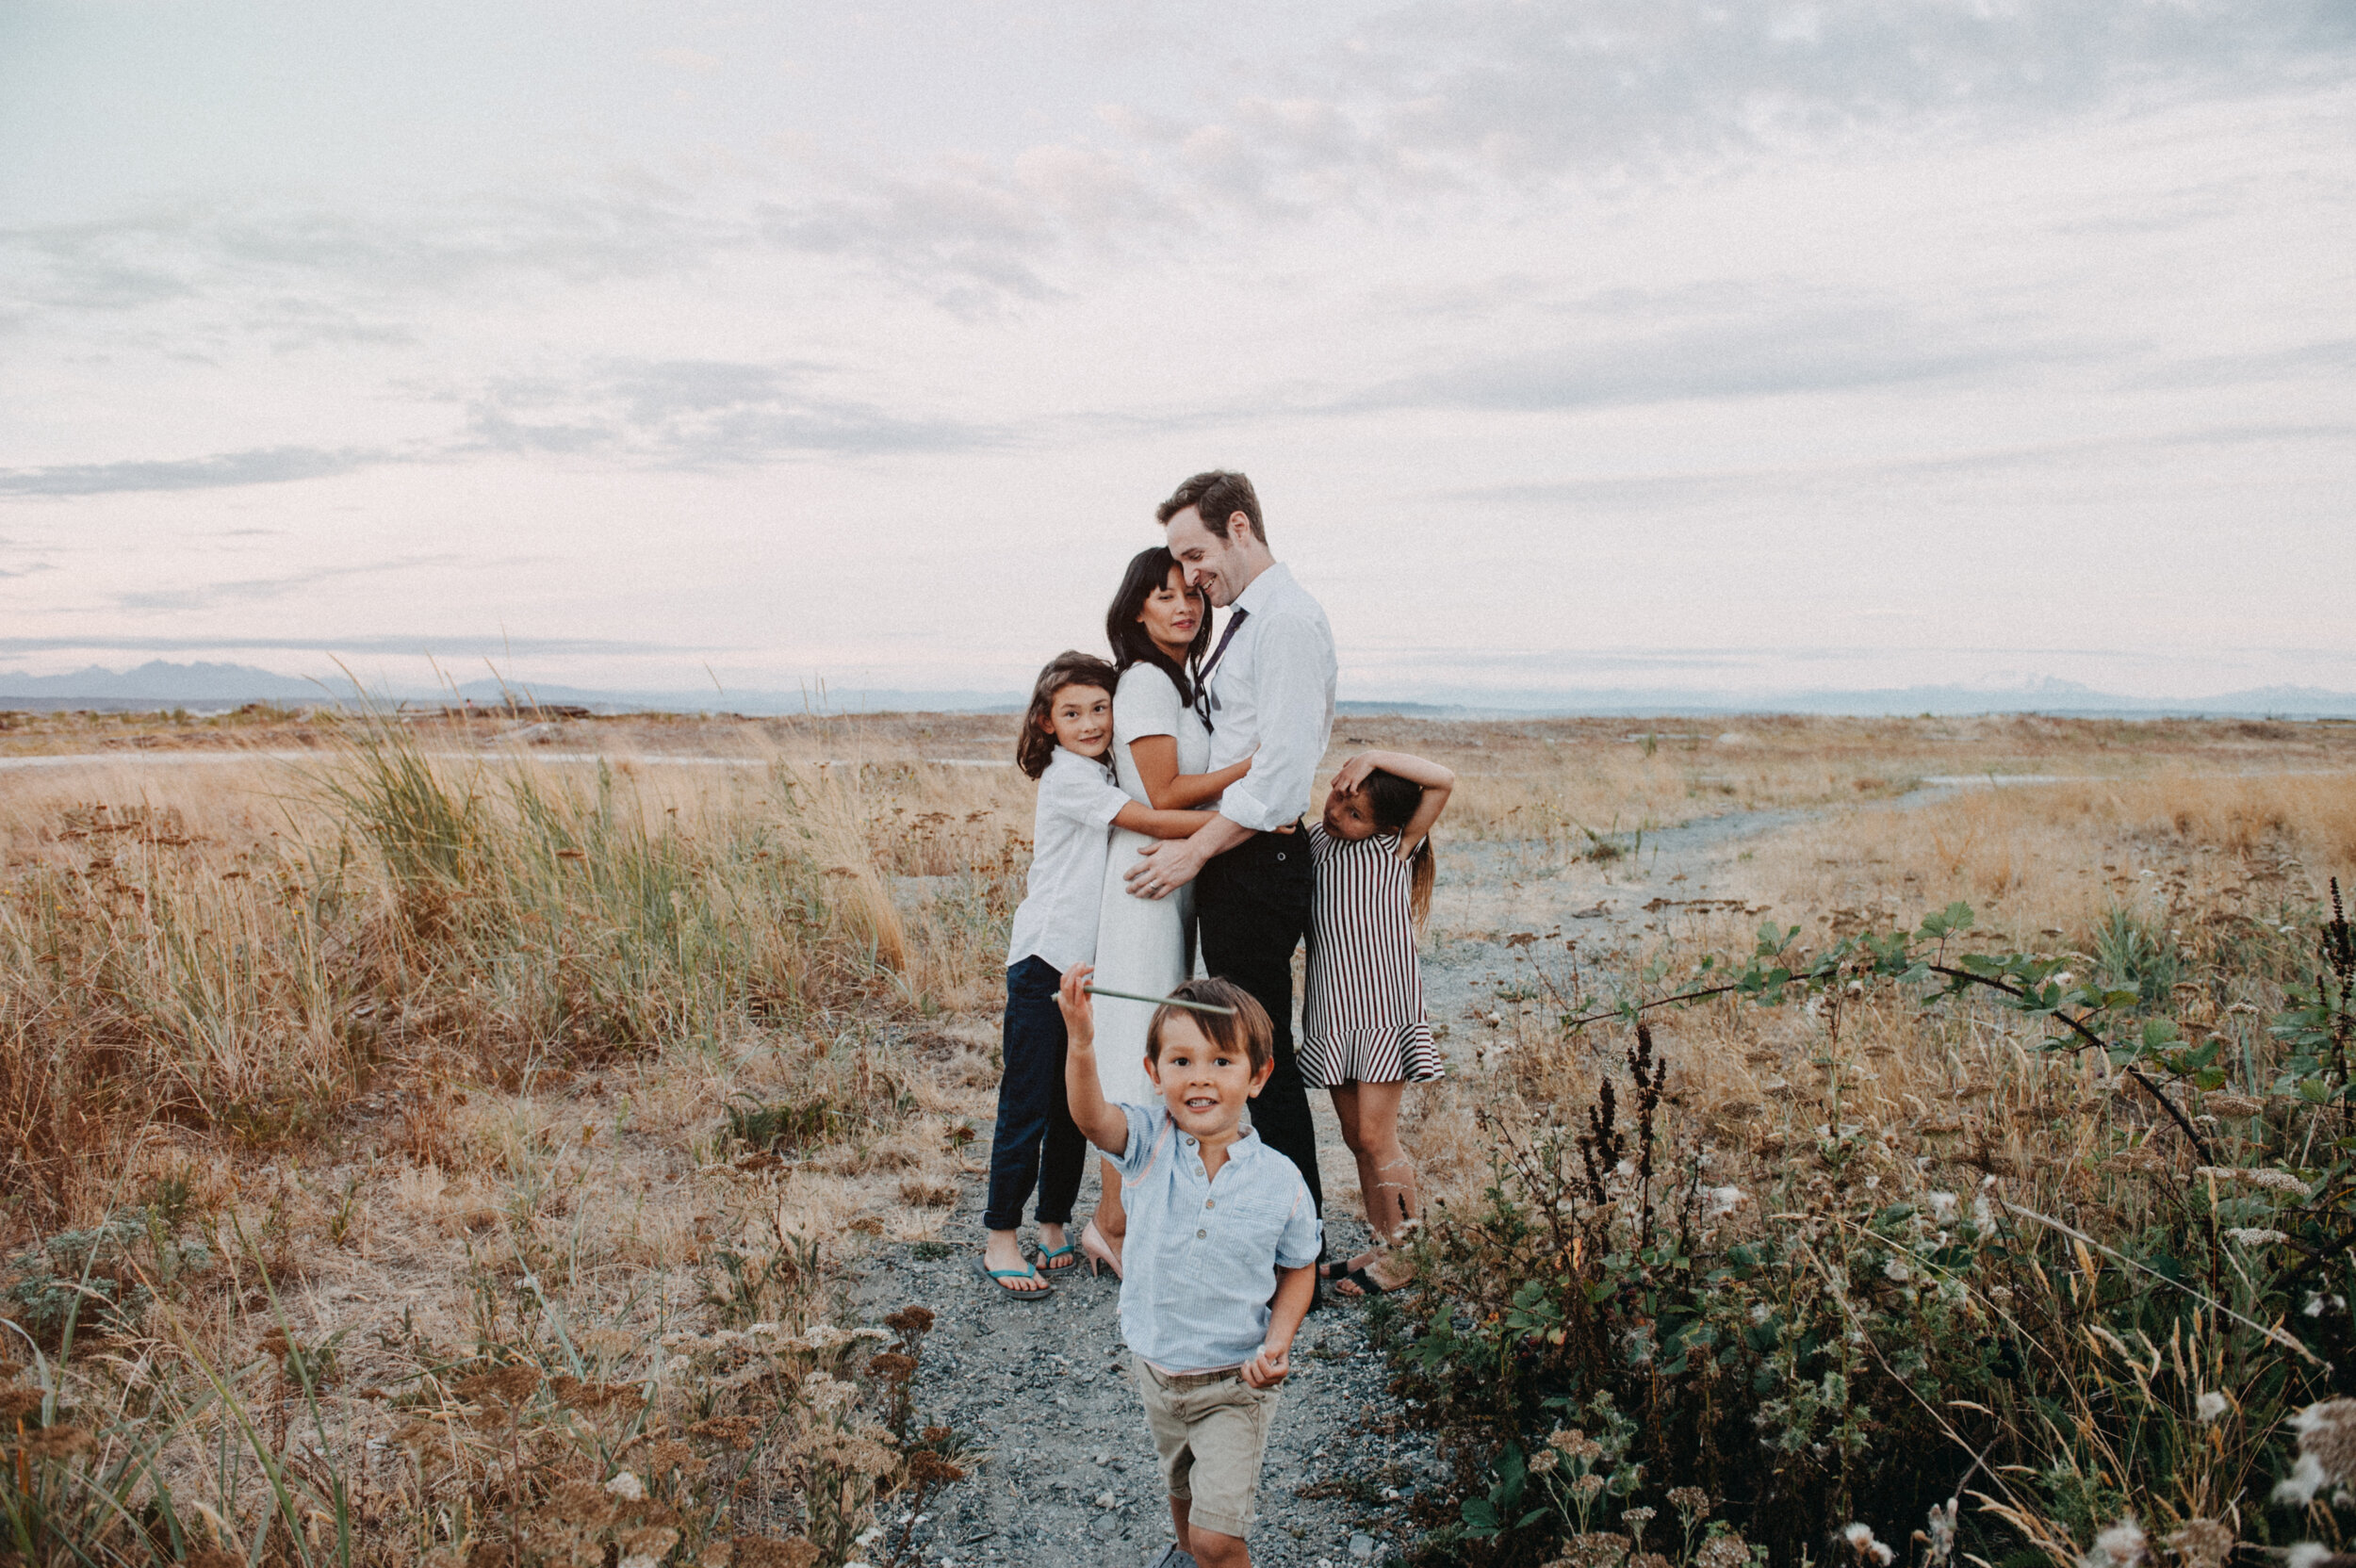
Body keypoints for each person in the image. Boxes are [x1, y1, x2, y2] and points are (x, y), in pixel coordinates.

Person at [1123, 471, 1338, 1266]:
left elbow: (1279, 776)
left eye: (1197, 555)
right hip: (1238, 860)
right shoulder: (1246, 623)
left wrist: (1196, 847)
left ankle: (1299, 1256)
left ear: (1239, 527)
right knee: (1245, 1049)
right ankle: (1275, 1237)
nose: (1192, 577)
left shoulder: (1283, 622)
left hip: (1257, 860)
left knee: (1257, 1061)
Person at [1057, 966, 1319, 1568]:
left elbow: (1300, 1268)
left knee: (1218, 1539)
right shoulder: (1148, 1144)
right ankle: (1184, 1554)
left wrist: (1278, 1343)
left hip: (1236, 1384)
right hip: (1158, 1370)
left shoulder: (1280, 1180)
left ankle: (1204, 1553)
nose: (1199, 1077)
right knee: (1180, 1489)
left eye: (1221, 1062)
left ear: (1258, 1076)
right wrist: (1080, 1042)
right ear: (1154, 1074)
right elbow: (1091, 1116)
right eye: (1181, 1062)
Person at [982, 651, 1220, 1298]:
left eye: (1099, 709)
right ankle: (1001, 1234)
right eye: (1072, 713)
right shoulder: (1069, 778)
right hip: (1043, 959)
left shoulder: (1099, 766)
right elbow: (1146, 819)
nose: (1089, 723)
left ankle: (1054, 1223)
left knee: (1071, 1101)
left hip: (1084, 966)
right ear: (1045, 722)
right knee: (1029, 1101)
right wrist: (1240, 821)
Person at [1082, 547, 1257, 1279]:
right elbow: (1163, 794)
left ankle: (1129, 1215)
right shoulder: (1147, 681)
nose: (1183, 605)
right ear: (1135, 611)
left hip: (1173, 873)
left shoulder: (1178, 682)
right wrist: (1254, 780)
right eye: (1162, 596)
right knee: (1135, 1040)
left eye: (1190, 593)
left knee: (1152, 1030)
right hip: (1146, 878)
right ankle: (1111, 1225)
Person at [1300, 749, 1454, 1297]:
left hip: (1382, 1006)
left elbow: (1442, 780)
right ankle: (1382, 1241)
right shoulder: (1313, 843)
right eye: (1338, 798)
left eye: (1354, 813)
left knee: (1375, 1135)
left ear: (1385, 826)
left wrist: (1371, 757)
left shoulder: (1395, 847)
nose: (1338, 814)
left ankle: (1408, 1253)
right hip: (1331, 1007)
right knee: (1352, 1137)